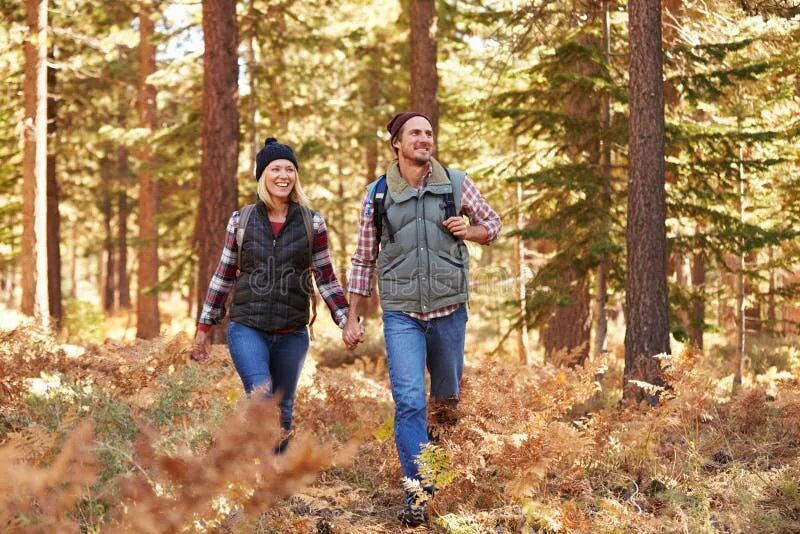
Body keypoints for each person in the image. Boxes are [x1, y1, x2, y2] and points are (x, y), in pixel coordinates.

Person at [343, 112, 501, 526]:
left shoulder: (456, 182)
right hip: (402, 315)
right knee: (410, 402)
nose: (424, 139)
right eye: (415, 133)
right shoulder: (376, 195)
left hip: (449, 310)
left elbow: (493, 224)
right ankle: (419, 493)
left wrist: (469, 231)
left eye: (429, 133)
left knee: (446, 403)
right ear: (397, 143)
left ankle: (443, 481)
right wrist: (351, 317)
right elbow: (363, 258)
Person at [193, 137, 354, 452]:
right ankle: (257, 475)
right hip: (247, 327)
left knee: (283, 410)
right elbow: (223, 274)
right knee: (262, 397)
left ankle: (275, 485)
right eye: (276, 169)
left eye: (290, 169)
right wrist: (203, 329)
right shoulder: (242, 220)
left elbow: (326, 276)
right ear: (262, 176)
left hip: (292, 332)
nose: (284, 175)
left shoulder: (312, 222)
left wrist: (346, 319)